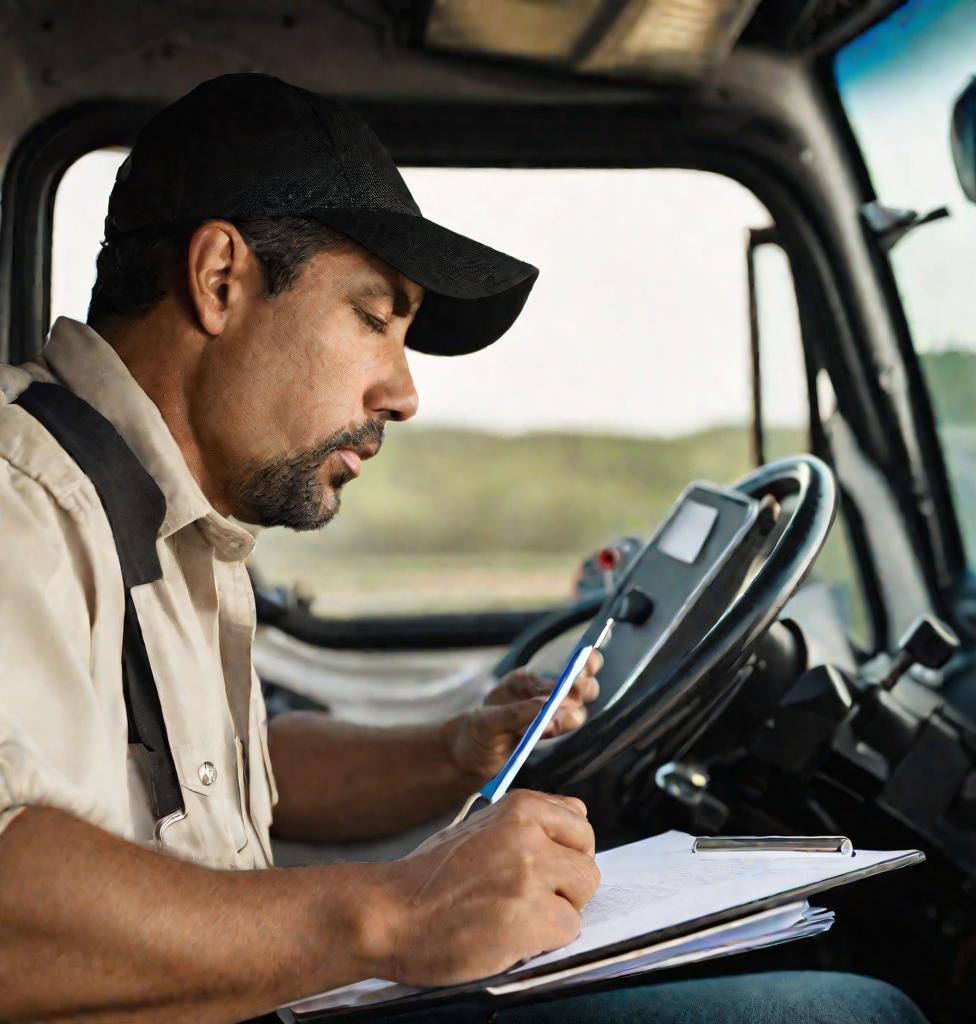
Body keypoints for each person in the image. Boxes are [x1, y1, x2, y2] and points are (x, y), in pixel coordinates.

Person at [0, 73, 927, 1024]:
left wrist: (452, 752)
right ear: (221, 279)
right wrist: (391, 911)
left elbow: (221, 782)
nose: (404, 393)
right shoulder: (22, 496)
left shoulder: (177, 518)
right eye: (374, 317)